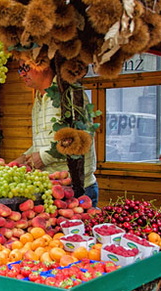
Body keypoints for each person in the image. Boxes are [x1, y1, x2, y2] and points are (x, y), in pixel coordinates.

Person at [13, 57, 99, 206]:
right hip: (51, 190)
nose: (22, 74)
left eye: (26, 67)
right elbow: (43, 142)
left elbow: (82, 138)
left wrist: (44, 157)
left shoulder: (68, 95)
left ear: (44, 64)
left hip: (78, 190)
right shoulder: (39, 99)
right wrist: (22, 158)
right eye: (20, 69)